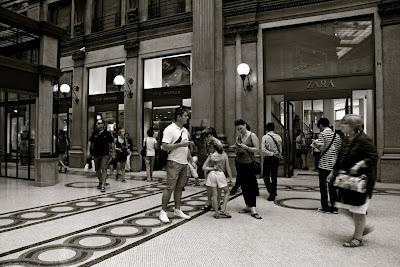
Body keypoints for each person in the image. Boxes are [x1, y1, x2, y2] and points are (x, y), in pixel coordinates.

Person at [329, 114, 378, 247]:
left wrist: (360, 164)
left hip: (361, 181)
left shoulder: (363, 139)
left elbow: (373, 157)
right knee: (345, 207)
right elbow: (341, 157)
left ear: (352, 127)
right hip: (348, 180)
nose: (341, 126)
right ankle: (362, 229)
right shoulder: (347, 139)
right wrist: (333, 172)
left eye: (344, 124)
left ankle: (358, 238)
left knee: (358, 209)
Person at [159, 107, 192, 223]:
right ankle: (163, 211)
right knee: (170, 187)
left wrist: (190, 160)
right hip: (173, 162)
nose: (187, 117)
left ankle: (177, 209)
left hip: (184, 163)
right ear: (179, 117)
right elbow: (164, 146)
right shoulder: (170, 129)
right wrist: (181, 145)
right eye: (185, 115)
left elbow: (186, 147)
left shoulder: (185, 130)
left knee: (179, 187)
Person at [233, 119, 262, 219]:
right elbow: (237, 151)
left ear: (245, 125)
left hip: (249, 164)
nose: (240, 130)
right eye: (238, 129)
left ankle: (253, 208)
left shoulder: (252, 135)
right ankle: (247, 205)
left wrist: (246, 147)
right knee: (244, 186)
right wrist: (236, 149)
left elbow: (257, 149)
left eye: (241, 128)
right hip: (239, 163)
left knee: (251, 186)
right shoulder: (239, 137)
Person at [312, 118, 342, 213]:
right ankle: (334, 207)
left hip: (324, 164)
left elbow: (321, 149)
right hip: (333, 165)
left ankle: (325, 207)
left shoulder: (323, 134)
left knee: (323, 187)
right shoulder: (337, 135)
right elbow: (338, 150)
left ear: (321, 125)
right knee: (333, 186)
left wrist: (315, 144)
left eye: (319, 126)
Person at [203, 139, 233, 219]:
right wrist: (230, 178)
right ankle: (223, 210)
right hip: (220, 175)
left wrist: (213, 169)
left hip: (212, 175)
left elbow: (204, 167)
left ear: (212, 147)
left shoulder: (211, 156)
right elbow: (228, 168)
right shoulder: (224, 155)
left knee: (214, 194)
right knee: (227, 192)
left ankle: (216, 213)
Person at [88, 119, 115, 193]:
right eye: (98, 123)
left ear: (103, 124)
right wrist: (88, 152)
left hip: (105, 154)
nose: (98, 125)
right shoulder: (95, 133)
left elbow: (112, 143)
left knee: (104, 169)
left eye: (100, 123)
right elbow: (90, 142)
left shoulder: (107, 133)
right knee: (97, 170)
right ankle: (101, 181)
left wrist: (113, 152)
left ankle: (103, 185)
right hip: (96, 154)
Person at [261, 122, 282, 201]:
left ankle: (272, 192)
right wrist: (278, 155)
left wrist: (270, 153)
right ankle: (273, 191)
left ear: (266, 128)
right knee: (274, 177)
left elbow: (263, 149)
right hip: (275, 158)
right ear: (273, 128)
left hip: (268, 158)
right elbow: (280, 149)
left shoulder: (265, 137)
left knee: (266, 177)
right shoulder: (278, 137)